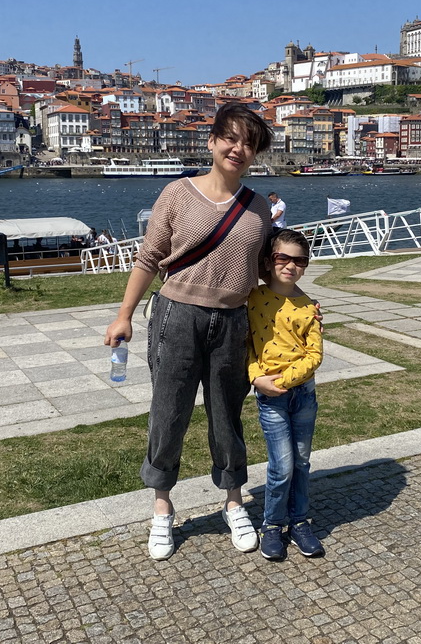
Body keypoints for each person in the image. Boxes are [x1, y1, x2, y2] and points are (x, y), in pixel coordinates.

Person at [104, 103, 273, 561]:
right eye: (231, 138)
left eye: (249, 144)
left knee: (227, 415)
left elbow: (264, 272)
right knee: (169, 412)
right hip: (177, 316)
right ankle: (162, 506)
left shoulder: (259, 208)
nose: (239, 149)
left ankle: (233, 500)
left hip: (232, 321)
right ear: (213, 140)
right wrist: (124, 315)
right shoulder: (177, 193)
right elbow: (148, 257)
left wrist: (294, 312)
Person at [248, 229, 324, 561]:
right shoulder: (253, 299)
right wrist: (258, 378)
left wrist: (286, 379)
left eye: (299, 260)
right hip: (271, 396)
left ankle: (300, 523)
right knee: (282, 466)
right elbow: (245, 346)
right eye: (283, 258)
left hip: (303, 394)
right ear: (269, 261)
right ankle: (272, 526)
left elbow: (315, 354)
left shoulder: (309, 307)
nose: (291, 266)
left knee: (302, 462)